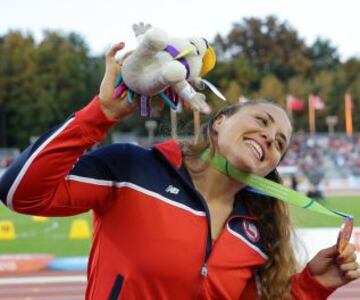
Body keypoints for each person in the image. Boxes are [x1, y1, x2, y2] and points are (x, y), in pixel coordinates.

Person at [0, 41, 359, 300]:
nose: (270, 137)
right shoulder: (133, 170)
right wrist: (101, 114)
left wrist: (312, 285)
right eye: (262, 121)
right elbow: (20, 192)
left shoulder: (258, 231)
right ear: (218, 123)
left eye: (280, 142)